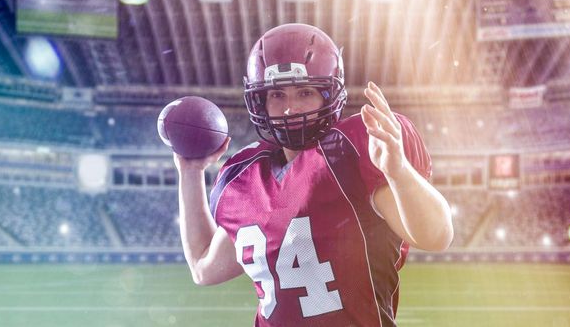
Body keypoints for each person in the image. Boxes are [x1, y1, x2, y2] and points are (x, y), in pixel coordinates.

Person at [174, 23, 453, 326]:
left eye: (305, 92)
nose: (290, 109)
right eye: (277, 95)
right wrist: (190, 172)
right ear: (260, 101)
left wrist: (399, 173)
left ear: (329, 95)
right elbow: (203, 267)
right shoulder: (243, 177)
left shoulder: (353, 150)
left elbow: (436, 236)